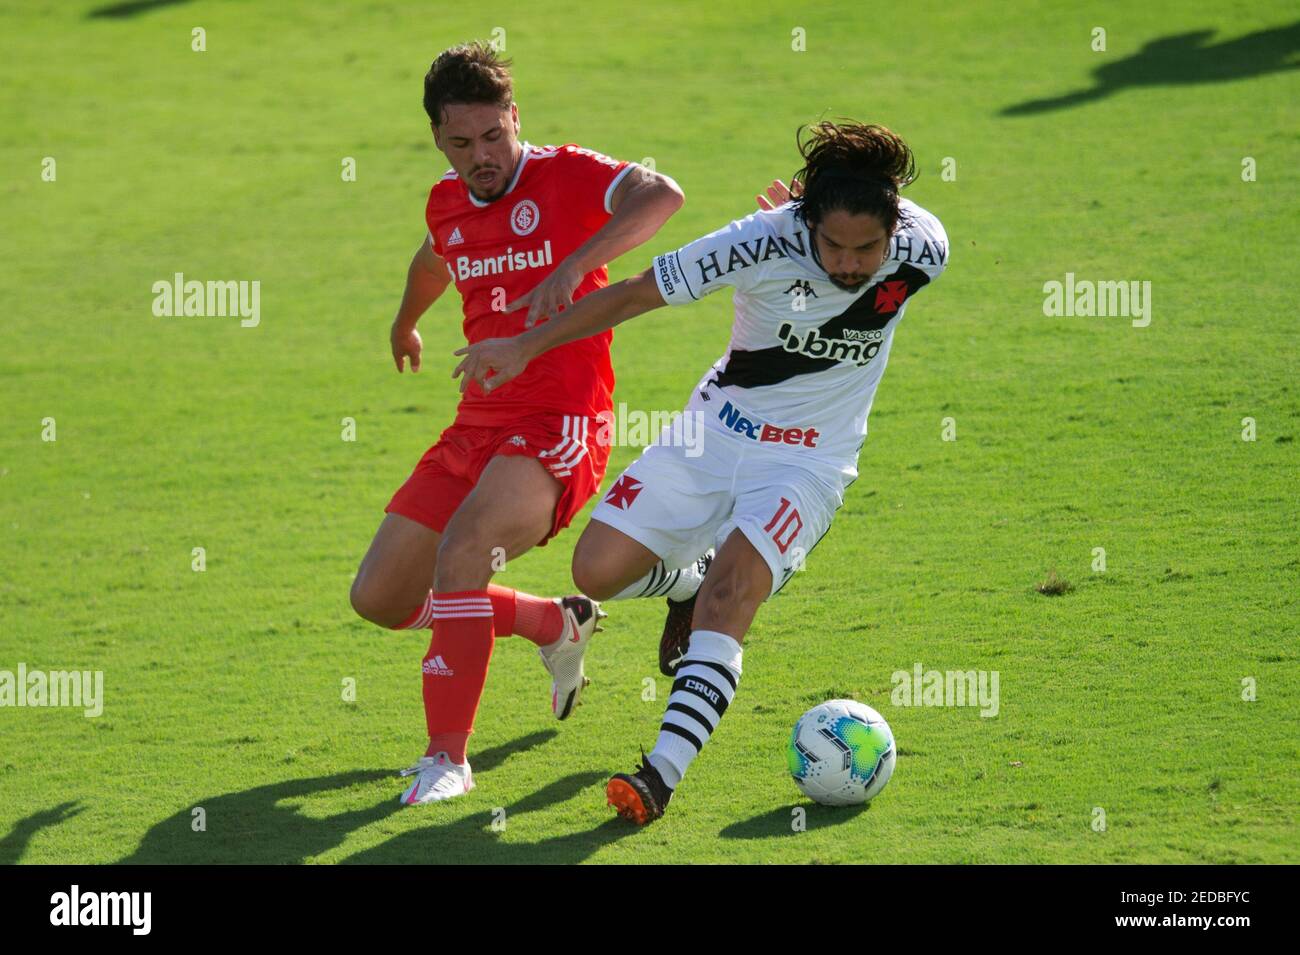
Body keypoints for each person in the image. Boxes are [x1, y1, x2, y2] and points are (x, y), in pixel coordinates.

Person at [452, 122, 949, 823]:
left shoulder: (926, 247)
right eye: (830, 243)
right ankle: (685, 582)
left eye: (865, 247)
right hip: (711, 436)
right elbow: (630, 294)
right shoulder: (758, 241)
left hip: (807, 462)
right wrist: (525, 345)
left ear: (894, 226)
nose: (846, 261)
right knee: (596, 570)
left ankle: (658, 776)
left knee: (732, 599)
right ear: (803, 217)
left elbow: (878, 259)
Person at [348, 41, 686, 805]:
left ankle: (448, 760)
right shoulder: (446, 199)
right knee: (381, 598)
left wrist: (574, 265)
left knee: (464, 552)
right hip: (476, 425)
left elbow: (663, 196)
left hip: (560, 422)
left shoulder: (564, 174)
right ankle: (552, 623)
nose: (482, 157)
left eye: (493, 136)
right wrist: (406, 322)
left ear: (514, 117)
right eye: (462, 143)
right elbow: (438, 257)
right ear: (439, 138)